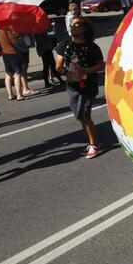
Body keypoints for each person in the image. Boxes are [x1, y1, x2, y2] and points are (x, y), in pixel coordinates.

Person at [55, 17, 105, 158]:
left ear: (84, 29)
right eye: (72, 25)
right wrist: (65, 72)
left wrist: (86, 71)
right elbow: (58, 66)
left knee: (84, 113)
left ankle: (94, 144)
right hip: (72, 87)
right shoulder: (64, 45)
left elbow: (101, 65)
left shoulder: (92, 47)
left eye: (77, 25)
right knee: (79, 115)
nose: (73, 27)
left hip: (88, 86)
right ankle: (92, 142)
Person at [0, 29, 26, 100]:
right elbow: (13, 39)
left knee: (8, 74)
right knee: (17, 74)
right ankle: (19, 95)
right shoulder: (7, 28)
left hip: (5, 53)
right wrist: (18, 35)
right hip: (13, 52)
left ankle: (10, 95)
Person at [35, 23, 63, 88]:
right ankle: (49, 82)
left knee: (50, 65)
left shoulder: (39, 29)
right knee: (49, 65)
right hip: (45, 50)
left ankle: (54, 81)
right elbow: (43, 40)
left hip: (45, 49)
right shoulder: (38, 29)